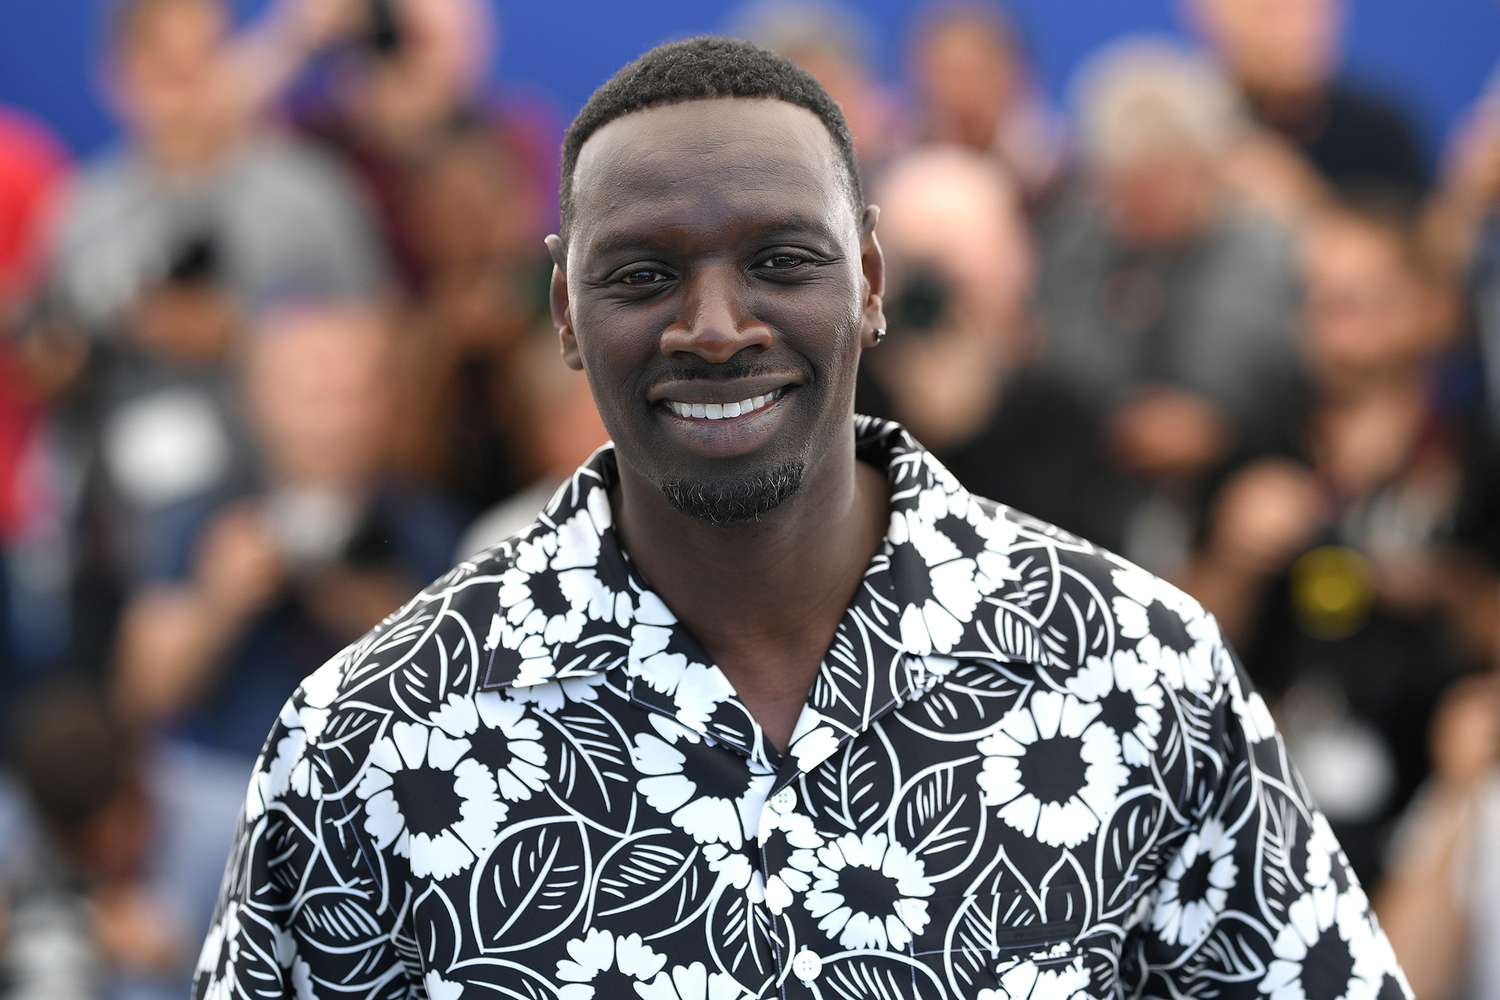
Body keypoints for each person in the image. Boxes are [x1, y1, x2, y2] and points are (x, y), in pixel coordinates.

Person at [195, 38, 1411, 999]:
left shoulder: (1133, 671)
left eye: (782, 259)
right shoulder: (370, 738)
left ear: (871, 279)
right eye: (639, 274)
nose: (714, 325)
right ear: (562, 309)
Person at [1036, 38, 1302, 570]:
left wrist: (1218, 419)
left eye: (1165, 177)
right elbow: (1056, 350)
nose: (1146, 199)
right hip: (1096, 466)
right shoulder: (1076, 241)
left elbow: (1284, 367)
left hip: (1239, 462)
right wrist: (1121, 414)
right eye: (1128, 183)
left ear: (1208, 167)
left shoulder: (1264, 249)